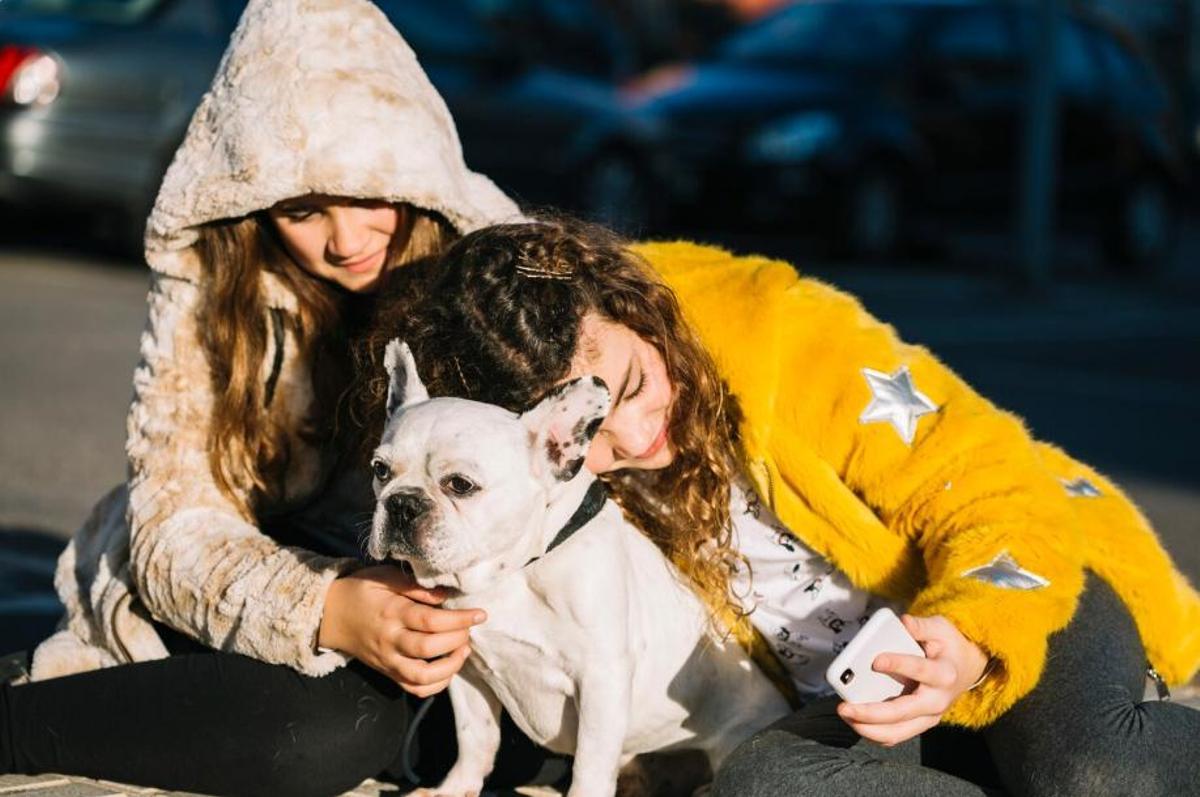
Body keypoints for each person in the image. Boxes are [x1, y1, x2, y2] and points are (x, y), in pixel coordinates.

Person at [354, 218, 1200, 796]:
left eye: (640, 385)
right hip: (852, 696)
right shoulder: (547, 485)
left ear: (636, 305)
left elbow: (990, 481)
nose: (642, 434)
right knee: (764, 787)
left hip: (1015, 579)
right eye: (599, 438)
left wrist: (969, 641)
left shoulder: (781, 335)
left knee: (1088, 766)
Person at [0, 1, 564, 794]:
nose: (345, 238)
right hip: (240, 570)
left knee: (506, 730)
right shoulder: (213, 284)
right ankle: (20, 720)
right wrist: (325, 606)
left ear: (413, 166)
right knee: (322, 736)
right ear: (255, 201)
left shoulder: (491, 273)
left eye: (371, 193)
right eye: (302, 210)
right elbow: (172, 524)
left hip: (448, 594)